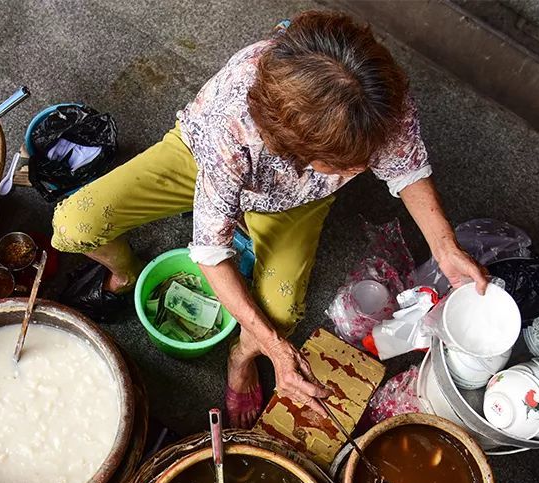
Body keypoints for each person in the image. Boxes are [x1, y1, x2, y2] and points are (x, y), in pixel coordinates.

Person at [52, 10, 488, 427]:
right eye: (347, 166)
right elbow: (209, 253)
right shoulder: (232, 127)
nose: (361, 173)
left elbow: (406, 166)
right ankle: (124, 275)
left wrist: (445, 247)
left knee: (279, 312)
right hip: (202, 158)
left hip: (296, 200)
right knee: (75, 225)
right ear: (291, 147)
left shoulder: (377, 95)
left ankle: (240, 359)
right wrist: (280, 352)